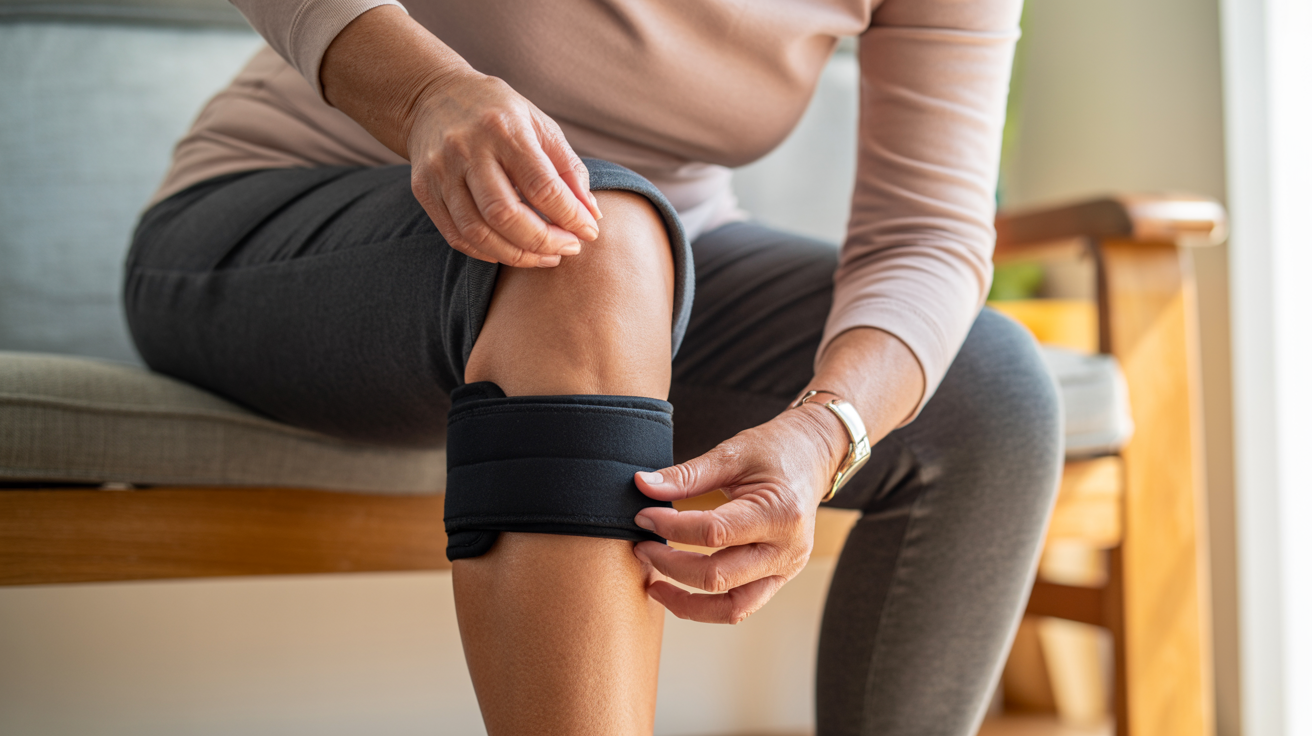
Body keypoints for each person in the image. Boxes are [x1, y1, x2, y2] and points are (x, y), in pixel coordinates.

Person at [124, 1, 1062, 733]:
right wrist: (425, 95)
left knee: (986, 387)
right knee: (593, 243)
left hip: (649, 252)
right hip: (282, 222)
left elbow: (927, 237)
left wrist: (825, 430)